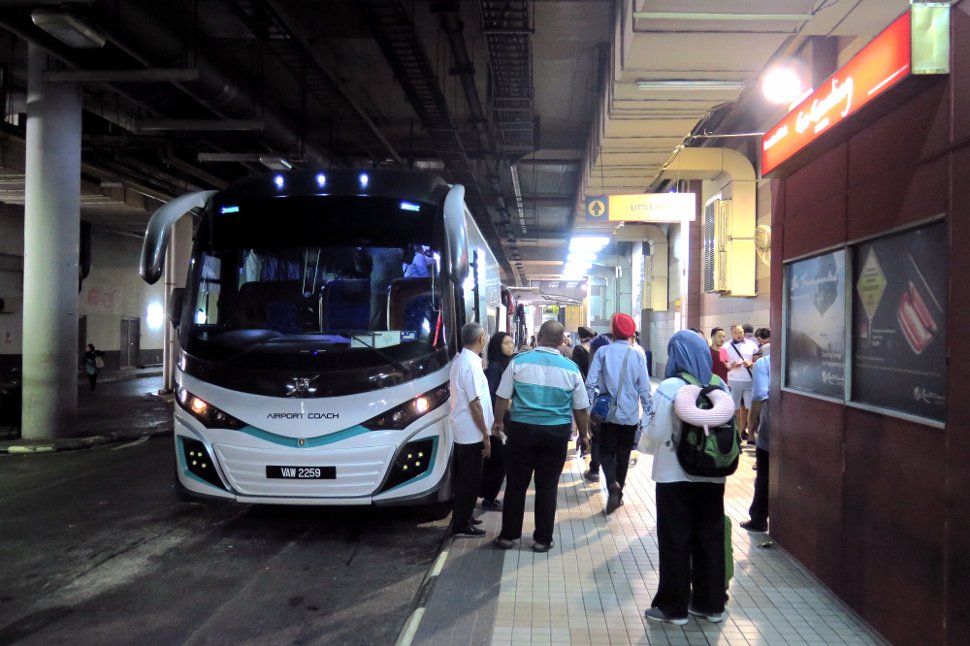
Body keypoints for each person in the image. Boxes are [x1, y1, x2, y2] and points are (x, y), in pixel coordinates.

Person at [643, 330, 729, 626]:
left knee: (675, 539)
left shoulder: (670, 386)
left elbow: (652, 432)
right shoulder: (719, 386)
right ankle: (710, 605)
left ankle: (673, 607)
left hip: (674, 475)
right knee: (710, 538)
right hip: (713, 476)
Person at [492, 320, 590, 553]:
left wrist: (497, 422)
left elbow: (502, 397)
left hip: (522, 430)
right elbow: (581, 408)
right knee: (547, 487)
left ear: (539, 336)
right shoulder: (571, 369)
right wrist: (584, 435)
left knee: (516, 484)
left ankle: (508, 537)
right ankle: (542, 540)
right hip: (556, 433)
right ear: (560, 341)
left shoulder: (518, 362)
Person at [585, 313, 652, 514]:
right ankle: (618, 493)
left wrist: (588, 410)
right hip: (630, 414)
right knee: (623, 453)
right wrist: (648, 413)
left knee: (606, 450)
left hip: (607, 413)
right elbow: (645, 388)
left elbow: (590, 382)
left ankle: (612, 483)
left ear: (614, 331)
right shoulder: (638, 354)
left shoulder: (602, 352)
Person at [447, 323, 493, 537]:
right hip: (471, 432)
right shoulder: (470, 364)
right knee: (469, 479)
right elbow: (475, 403)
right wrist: (485, 434)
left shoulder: (462, 360)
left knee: (468, 477)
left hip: (465, 429)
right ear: (481, 338)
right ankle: (461, 523)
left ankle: (465, 515)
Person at [481, 332, 514, 511]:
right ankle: (488, 497)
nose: (511, 346)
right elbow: (493, 395)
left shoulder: (503, 365)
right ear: (497, 346)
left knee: (498, 460)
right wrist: (497, 421)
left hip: (501, 419)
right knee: (497, 461)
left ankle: (489, 496)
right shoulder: (495, 368)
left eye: (511, 342)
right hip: (497, 421)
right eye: (506, 343)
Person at [742, 343, 771, 532]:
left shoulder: (764, 363)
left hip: (771, 429)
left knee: (764, 475)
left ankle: (759, 519)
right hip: (800, 432)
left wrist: (751, 426)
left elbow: (760, 394)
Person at [583, 334, 611, 483]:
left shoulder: (595, 360)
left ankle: (594, 470)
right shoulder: (616, 360)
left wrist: (587, 409)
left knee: (597, 439)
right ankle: (614, 477)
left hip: (599, 407)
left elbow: (590, 385)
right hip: (617, 408)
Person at [724, 323, 759, 440]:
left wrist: (751, 364)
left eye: (740, 332)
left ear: (743, 332)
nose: (738, 335)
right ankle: (737, 434)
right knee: (736, 408)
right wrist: (732, 365)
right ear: (731, 333)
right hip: (733, 380)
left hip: (749, 380)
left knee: (750, 408)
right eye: (735, 333)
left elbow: (757, 361)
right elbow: (724, 364)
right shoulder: (726, 346)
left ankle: (749, 434)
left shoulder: (752, 345)